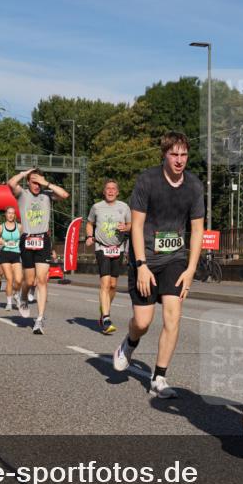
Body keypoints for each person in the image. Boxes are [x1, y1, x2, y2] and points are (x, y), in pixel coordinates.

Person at [112, 132, 204, 398]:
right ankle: (129, 343)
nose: (179, 160)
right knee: (142, 321)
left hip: (175, 260)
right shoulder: (148, 180)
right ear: (164, 154)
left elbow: (197, 230)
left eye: (183, 155)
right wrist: (140, 265)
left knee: (173, 316)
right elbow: (137, 226)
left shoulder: (194, 186)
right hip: (146, 259)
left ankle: (159, 378)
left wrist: (190, 270)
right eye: (174, 154)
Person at [7, 168, 69, 334]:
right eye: (33, 182)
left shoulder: (47, 195)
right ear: (28, 182)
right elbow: (11, 183)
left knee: (41, 280)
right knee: (29, 281)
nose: (37, 185)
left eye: (39, 182)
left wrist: (45, 183)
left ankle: (40, 319)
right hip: (27, 239)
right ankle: (23, 296)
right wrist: (26, 172)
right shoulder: (22, 194)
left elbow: (65, 195)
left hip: (43, 240)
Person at [86, 179, 131, 334]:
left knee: (113, 285)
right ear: (104, 192)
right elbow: (89, 223)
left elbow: (131, 225)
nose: (111, 191)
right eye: (108, 189)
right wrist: (89, 236)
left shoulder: (124, 207)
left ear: (117, 192)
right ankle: (106, 318)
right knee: (105, 283)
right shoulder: (96, 207)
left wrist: (126, 227)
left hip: (118, 249)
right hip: (101, 247)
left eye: (113, 189)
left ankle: (104, 308)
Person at [0, 206, 23, 311]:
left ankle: (16, 294)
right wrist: (0, 242)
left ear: (14, 215)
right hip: (5, 254)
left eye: (12, 213)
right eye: (9, 213)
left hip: (16, 254)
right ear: (5, 215)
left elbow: (23, 239)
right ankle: (9, 303)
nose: (11, 215)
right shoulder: (0, 227)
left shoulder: (20, 227)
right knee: (10, 279)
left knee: (19, 280)